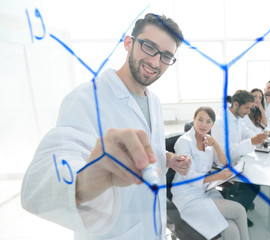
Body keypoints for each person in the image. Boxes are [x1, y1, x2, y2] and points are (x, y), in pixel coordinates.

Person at [21, 13, 191, 240]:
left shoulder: (154, 102)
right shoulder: (86, 98)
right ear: (129, 43)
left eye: (166, 56)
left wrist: (167, 158)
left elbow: (148, 150)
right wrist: (88, 178)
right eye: (149, 47)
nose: (155, 62)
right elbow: (52, 170)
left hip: (154, 226)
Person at [172, 107, 250, 240]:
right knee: (239, 210)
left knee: (231, 229)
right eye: (200, 119)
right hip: (188, 196)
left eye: (208, 121)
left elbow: (223, 163)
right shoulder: (184, 142)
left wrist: (216, 145)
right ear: (193, 120)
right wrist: (218, 176)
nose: (203, 125)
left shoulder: (207, 140)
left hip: (205, 192)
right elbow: (189, 176)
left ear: (213, 125)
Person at [212, 90, 269, 227]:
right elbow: (227, 153)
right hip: (223, 164)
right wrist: (252, 142)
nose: (249, 112)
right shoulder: (221, 123)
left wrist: (261, 136)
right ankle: (234, 216)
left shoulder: (237, 117)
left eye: (250, 108)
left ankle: (239, 209)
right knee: (253, 185)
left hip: (238, 159)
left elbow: (246, 133)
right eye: (247, 108)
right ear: (236, 104)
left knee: (258, 173)